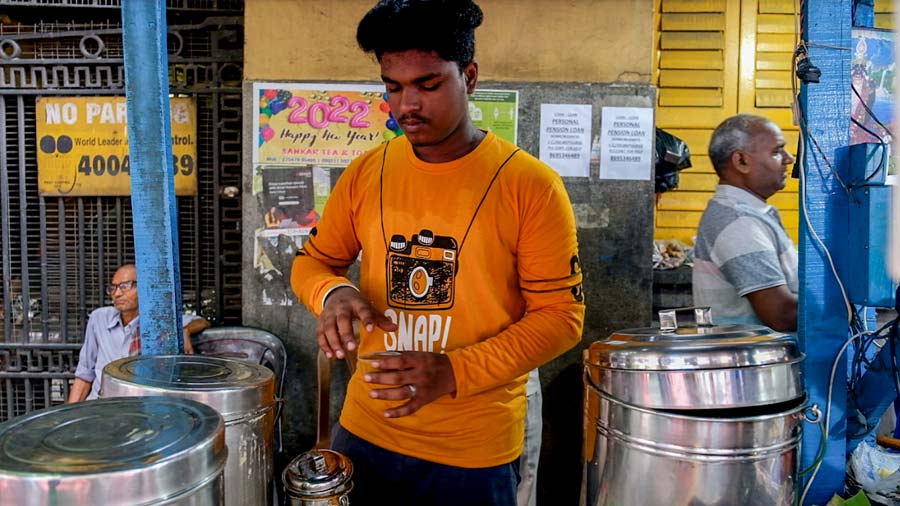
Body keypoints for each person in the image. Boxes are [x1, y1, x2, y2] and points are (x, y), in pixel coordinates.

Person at [290, 1, 585, 504]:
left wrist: (453, 371)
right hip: (366, 430)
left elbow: (561, 318)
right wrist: (333, 292)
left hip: (473, 450)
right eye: (393, 86)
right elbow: (313, 262)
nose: (408, 105)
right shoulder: (367, 173)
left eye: (428, 85)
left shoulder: (529, 186)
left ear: (469, 77)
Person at [692, 114, 798, 331]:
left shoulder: (750, 213)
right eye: (777, 152)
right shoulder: (738, 223)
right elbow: (782, 315)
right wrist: (844, 302)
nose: (789, 158)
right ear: (741, 161)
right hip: (753, 362)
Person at [68, 264, 210, 402]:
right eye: (113, 288)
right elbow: (84, 374)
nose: (117, 294)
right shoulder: (99, 319)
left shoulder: (158, 322)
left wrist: (185, 330)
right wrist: (67, 416)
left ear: (143, 288)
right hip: (99, 405)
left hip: (138, 408)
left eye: (125, 286)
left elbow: (202, 322)